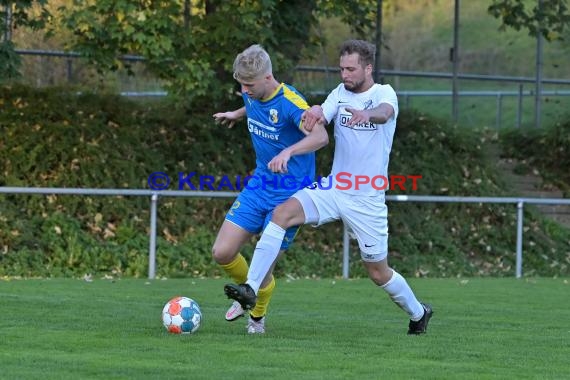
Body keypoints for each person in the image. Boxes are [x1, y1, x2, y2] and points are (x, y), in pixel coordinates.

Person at [224, 39, 433, 335]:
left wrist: (367, 114)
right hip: (334, 188)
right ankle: (251, 289)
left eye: (351, 69)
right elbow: (321, 118)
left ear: (368, 68)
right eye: (341, 69)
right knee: (282, 214)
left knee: (378, 272)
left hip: (366, 198)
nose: (345, 75)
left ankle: (419, 312)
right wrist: (315, 112)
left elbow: (385, 113)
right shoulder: (340, 93)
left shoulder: (384, 93)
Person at [212, 44, 328, 334]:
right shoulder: (251, 93)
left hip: (288, 197)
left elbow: (321, 136)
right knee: (222, 252)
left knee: (263, 270)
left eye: (249, 85)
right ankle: (246, 291)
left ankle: (257, 317)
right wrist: (236, 114)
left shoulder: (290, 103)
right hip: (259, 185)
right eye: (241, 84)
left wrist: (289, 152)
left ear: (268, 77)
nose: (244, 90)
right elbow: (253, 105)